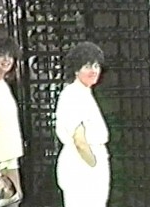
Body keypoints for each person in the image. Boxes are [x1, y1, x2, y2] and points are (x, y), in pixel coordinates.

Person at [55, 41, 110, 207]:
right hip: (82, 165)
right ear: (76, 70)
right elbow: (80, 140)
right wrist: (94, 164)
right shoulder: (72, 95)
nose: (93, 71)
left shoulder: (85, 93)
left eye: (95, 65)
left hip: (87, 162)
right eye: (87, 66)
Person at [0, 37, 24, 207]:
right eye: (2, 55)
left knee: (13, 199)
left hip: (9, 154)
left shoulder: (3, 84)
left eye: (10, 56)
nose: (6, 60)